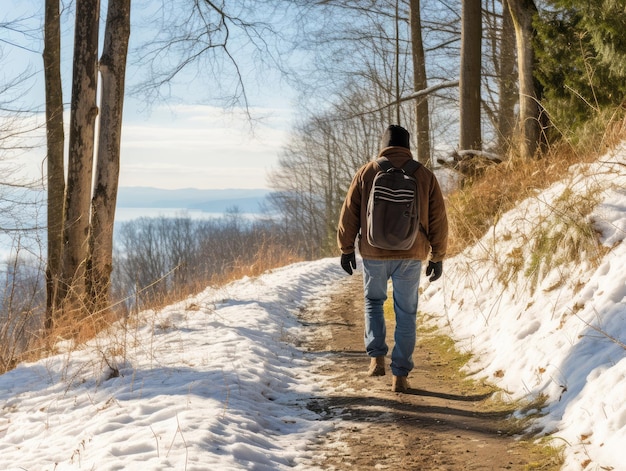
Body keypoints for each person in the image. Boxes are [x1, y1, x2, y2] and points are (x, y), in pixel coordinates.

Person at [336, 124, 448, 393]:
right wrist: (438, 255)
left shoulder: (367, 171)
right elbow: (438, 219)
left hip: (374, 252)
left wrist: (346, 248)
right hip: (411, 254)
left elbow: (349, 212)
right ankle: (401, 375)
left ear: (384, 145)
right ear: (407, 146)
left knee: (374, 302)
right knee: (406, 312)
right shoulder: (424, 175)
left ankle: (376, 359)